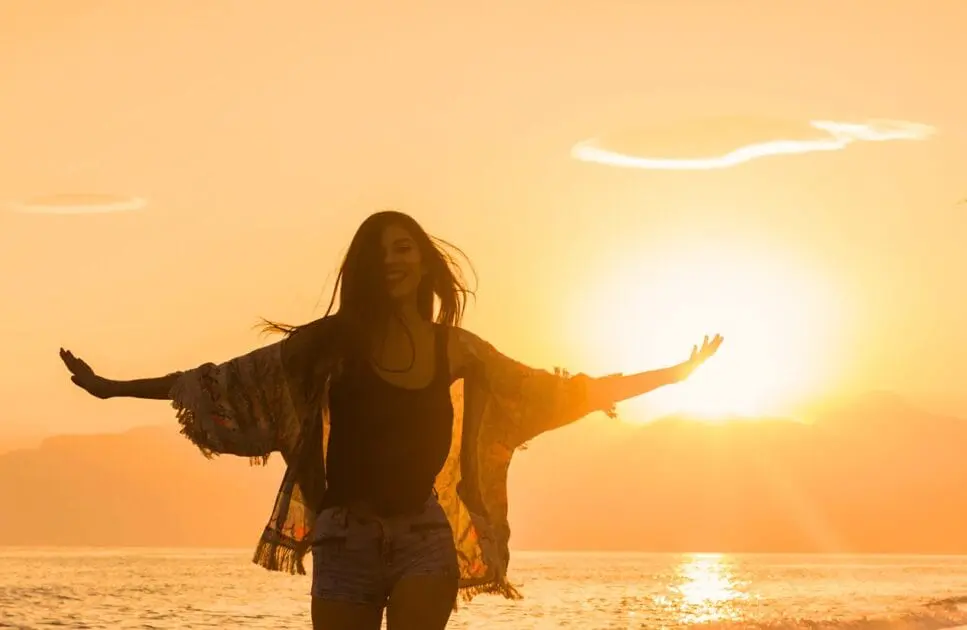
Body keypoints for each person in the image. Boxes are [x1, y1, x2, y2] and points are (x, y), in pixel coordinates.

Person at [60, 210, 723, 630]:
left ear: (422, 259)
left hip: (422, 541)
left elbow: (550, 393)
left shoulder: (453, 348)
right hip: (344, 540)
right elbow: (226, 380)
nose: (394, 258)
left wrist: (669, 375)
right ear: (365, 268)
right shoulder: (328, 343)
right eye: (380, 251)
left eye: (404, 247)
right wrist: (112, 387)